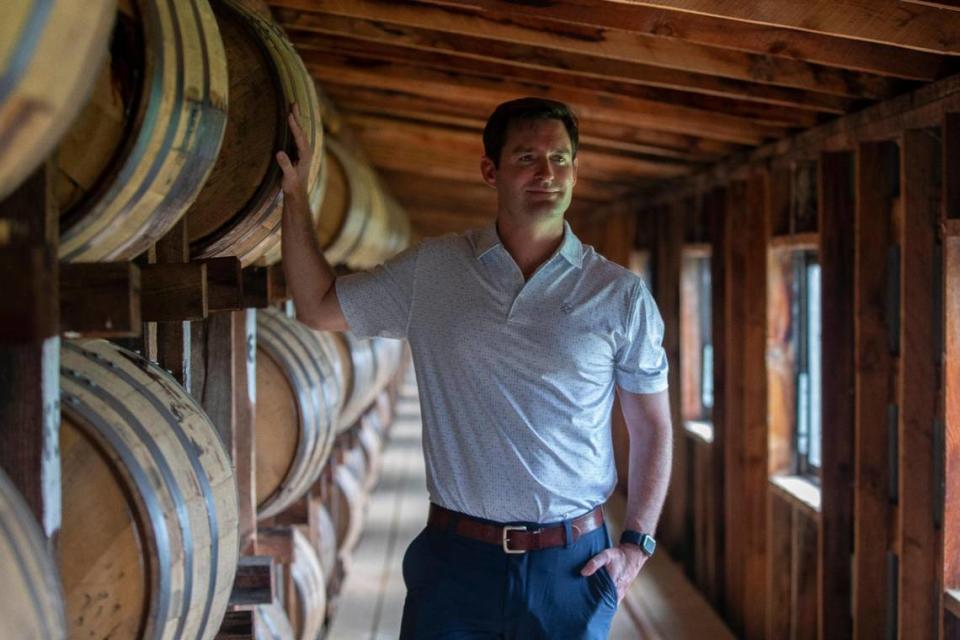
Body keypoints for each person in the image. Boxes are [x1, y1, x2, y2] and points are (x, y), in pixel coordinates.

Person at [277, 97, 672, 639]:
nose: (546, 173)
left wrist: (638, 544)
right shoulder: (433, 270)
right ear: (491, 171)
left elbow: (652, 426)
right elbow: (318, 305)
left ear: (577, 171)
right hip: (455, 562)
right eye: (526, 157)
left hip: (572, 567)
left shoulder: (620, 295)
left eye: (560, 159)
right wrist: (294, 196)